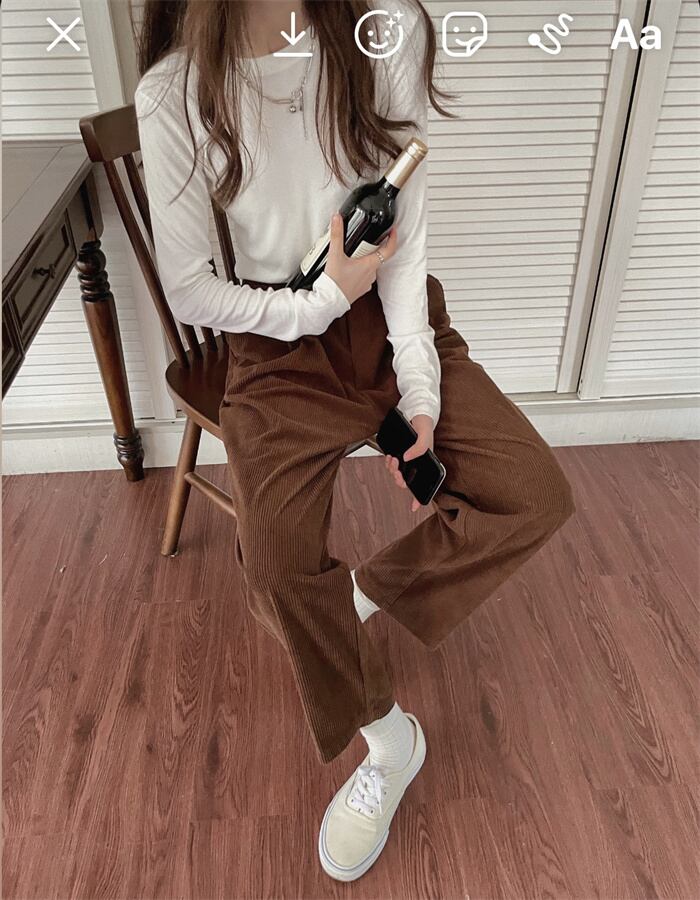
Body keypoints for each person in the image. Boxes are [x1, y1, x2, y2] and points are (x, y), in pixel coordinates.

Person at [134, 0, 575, 882]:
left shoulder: (386, 31)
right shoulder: (174, 91)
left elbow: (403, 240)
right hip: (276, 341)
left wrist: (419, 387)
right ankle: (389, 742)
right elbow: (188, 288)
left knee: (532, 494)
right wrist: (317, 305)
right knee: (277, 574)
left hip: (385, 314)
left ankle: (361, 596)